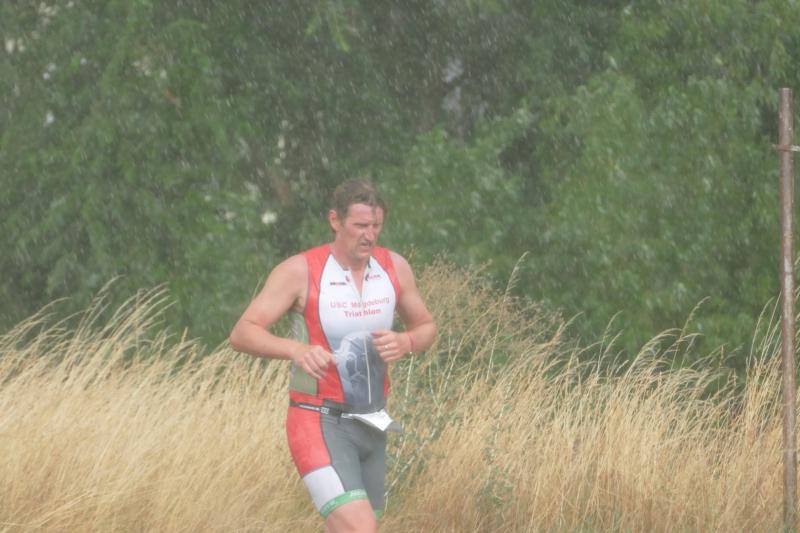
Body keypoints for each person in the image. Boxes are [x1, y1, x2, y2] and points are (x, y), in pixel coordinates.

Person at [229, 179, 437, 533]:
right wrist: (295, 349)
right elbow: (242, 332)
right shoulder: (300, 270)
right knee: (360, 528)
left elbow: (426, 326)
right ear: (335, 221)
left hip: (372, 421)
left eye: (376, 226)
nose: (369, 236)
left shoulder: (394, 267)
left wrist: (407, 341)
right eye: (360, 225)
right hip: (318, 420)